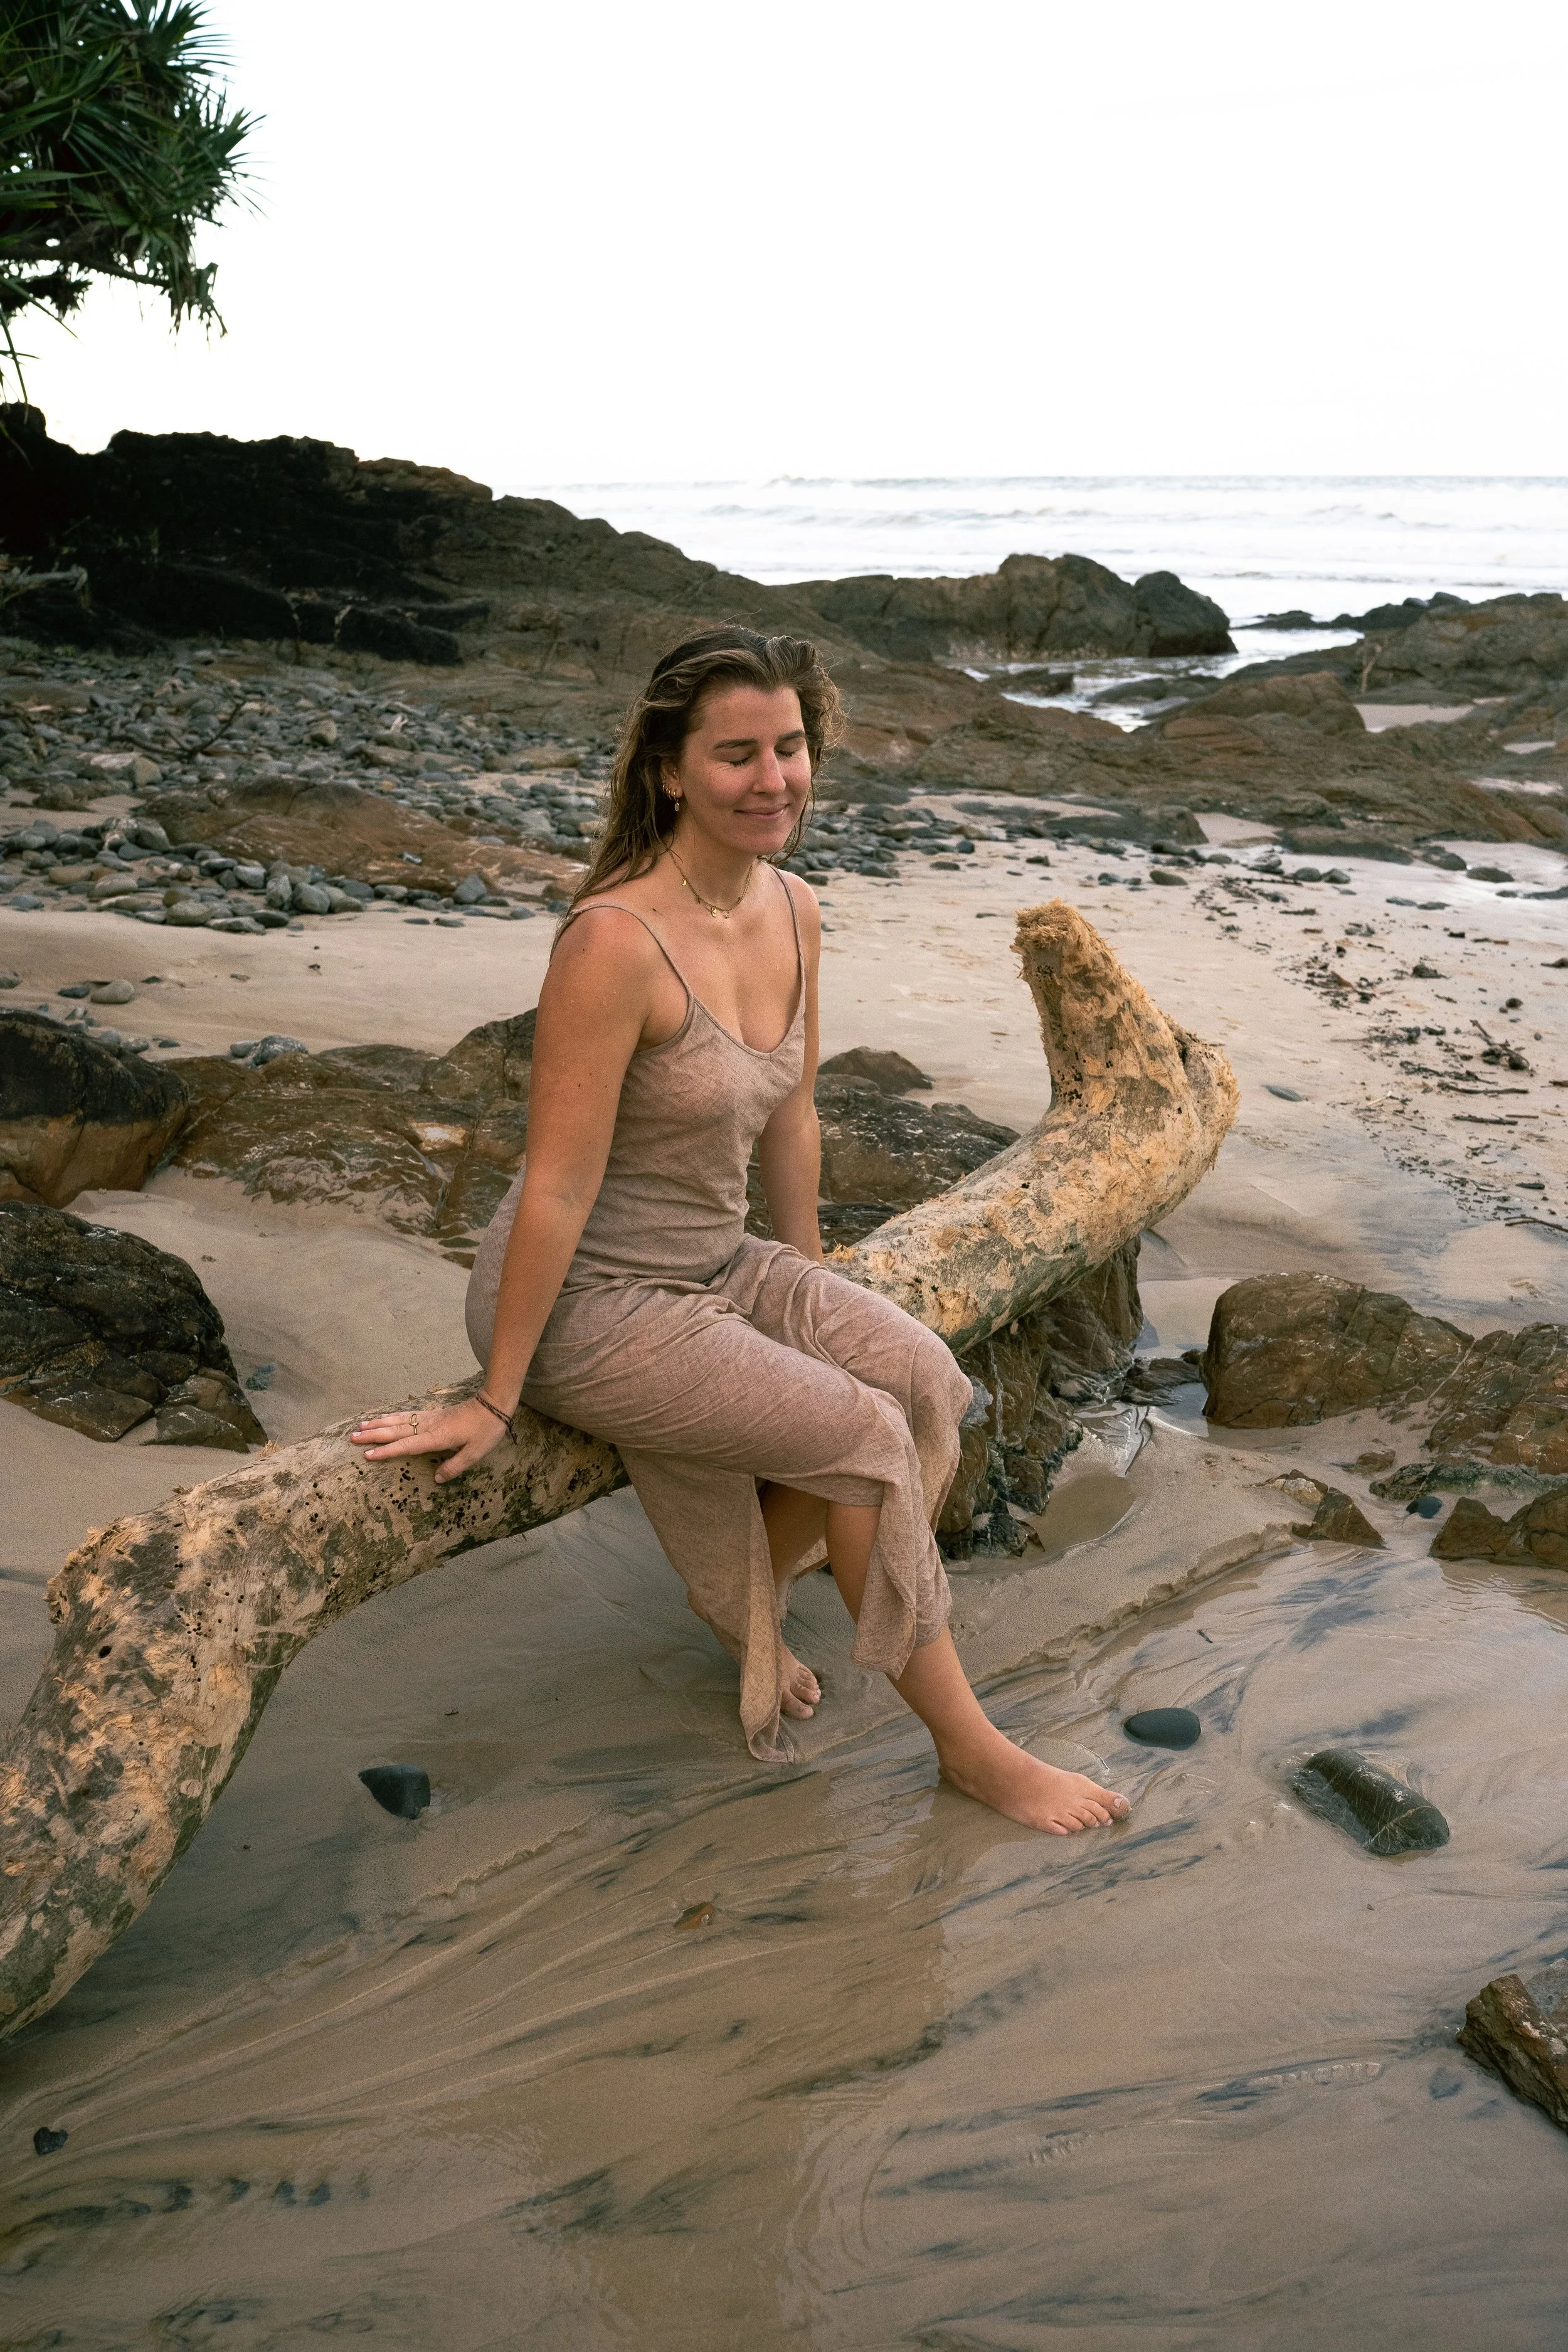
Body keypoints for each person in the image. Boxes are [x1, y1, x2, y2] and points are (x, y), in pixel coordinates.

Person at [351, 628, 1128, 1835]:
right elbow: (554, 1187)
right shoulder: (614, 942)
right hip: (590, 1301)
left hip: (716, 1261)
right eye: (736, 755)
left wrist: (811, 1288)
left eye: (791, 747)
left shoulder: (796, 908)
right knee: (866, 1440)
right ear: (669, 771)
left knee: (920, 1375)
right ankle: (973, 1749)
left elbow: (794, 1115)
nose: (775, 779)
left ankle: (754, 1613)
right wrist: (496, 1398)